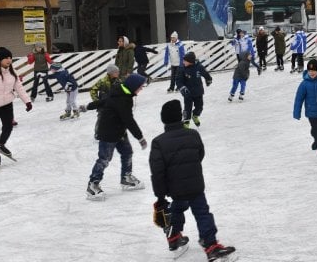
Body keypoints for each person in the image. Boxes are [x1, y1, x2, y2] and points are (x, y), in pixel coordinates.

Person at [150, 100, 236, 260]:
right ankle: (211, 245)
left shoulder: (158, 142)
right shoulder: (193, 134)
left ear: (164, 120)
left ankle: (173, 238)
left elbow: (157, 171)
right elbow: (200, 154)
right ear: (180, 116)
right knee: (202, 213)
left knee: (176, 209)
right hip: (195, 184)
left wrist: (160, 196)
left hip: (175, 188)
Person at [85, 73, 148, 201]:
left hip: (119, 131)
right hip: (108, 133)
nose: (141, 89)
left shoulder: (121, 93)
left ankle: (126, 177)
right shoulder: (122, 99)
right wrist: (140, 137)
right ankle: (93, 184)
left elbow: (103, 101)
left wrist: (87, 106)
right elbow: (129, 120)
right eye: (140, 87)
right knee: (104, 159)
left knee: (127, 152)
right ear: (133, 86)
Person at [0, 47, 32, 167]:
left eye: (10, 58)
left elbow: (19, 87)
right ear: (0, 59)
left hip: (7, 104)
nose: (9, 60)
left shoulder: (13, 72)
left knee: (8, 126)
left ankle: (1, 144)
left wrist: (27, 101)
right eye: (6, 58)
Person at [177, 52, 212, 128]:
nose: (183, 62)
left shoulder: (199, 67)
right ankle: (186, 122)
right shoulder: (182, 69)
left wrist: (208, 79)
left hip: (198, 91)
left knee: (199, 107)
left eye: (185, 61)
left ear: (190, 61)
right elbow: (179, 80)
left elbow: (205, 73)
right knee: (187, 108)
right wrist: (182, 88)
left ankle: (195, 115)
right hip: (187, 93)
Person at [87, 64, 122, 140]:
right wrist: (96, 101)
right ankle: (98, 133)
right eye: (116, 72)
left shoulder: (118, 81)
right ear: (111, 73)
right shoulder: (102, 81)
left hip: (114, 105)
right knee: (101, 119)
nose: (118, 73)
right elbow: (93, 90)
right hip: (103, 104)